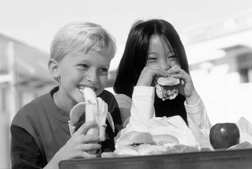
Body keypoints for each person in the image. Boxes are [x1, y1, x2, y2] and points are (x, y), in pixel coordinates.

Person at [10, 21, 122, 169]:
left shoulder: (107, 102)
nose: (93, 78)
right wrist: (62, 158)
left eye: (103, 69)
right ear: (55, 69)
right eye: (83, 66)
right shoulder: (28, 121)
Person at [113, 19, 211, 139]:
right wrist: (143, 90)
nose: (165, 66)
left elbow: (206, 141)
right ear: (136, 65)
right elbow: (137, 140)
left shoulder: (180, 102)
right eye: (153, 59)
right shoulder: (122, 103)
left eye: (172, 56)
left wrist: (191, 96)